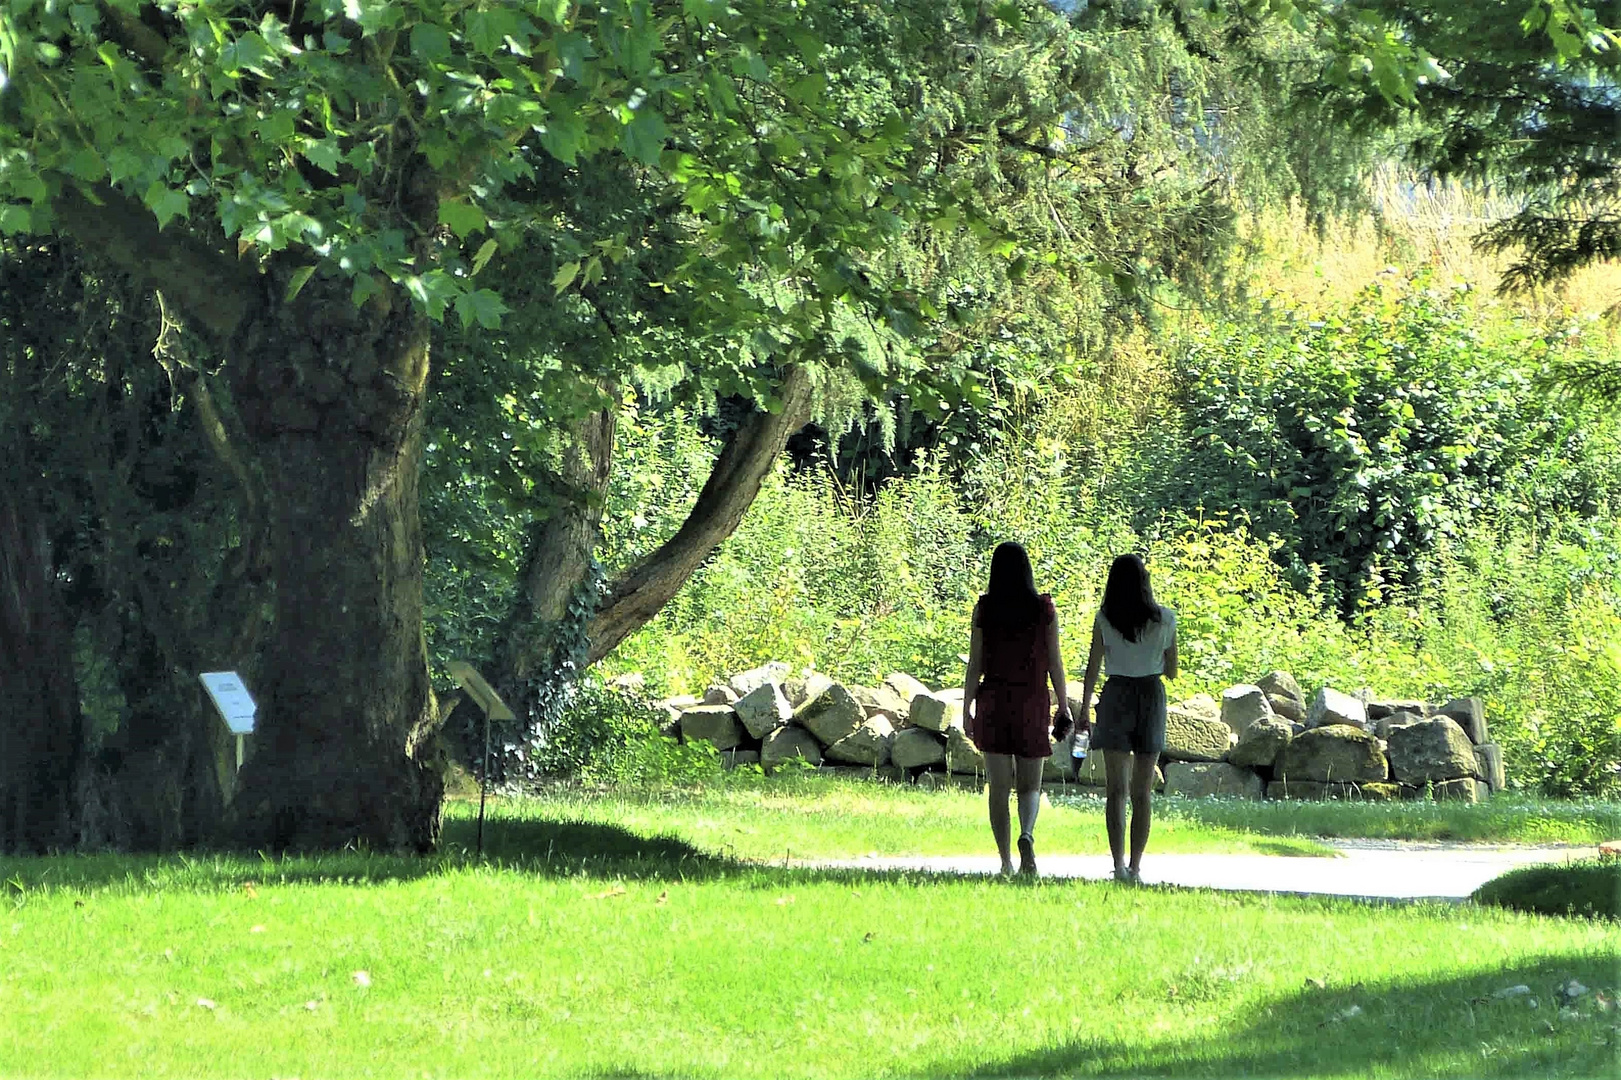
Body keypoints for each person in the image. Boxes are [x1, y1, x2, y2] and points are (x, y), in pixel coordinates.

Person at [963, 541, 1071, 877]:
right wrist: (1063, 705)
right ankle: (1027, 833)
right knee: (1030, 785)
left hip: (994, 698)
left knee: (998, 787)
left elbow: (975, 663)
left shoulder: (985, 609)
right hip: (1032, 699)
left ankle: (1005, 861)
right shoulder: (1044, 609)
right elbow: (1055, 661)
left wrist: (967, 706)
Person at [1075, 553, 1177, 884]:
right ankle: (1136, 867)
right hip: (1151, 696)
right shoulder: (1166, 619)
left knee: (1115, 791)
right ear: (1145, 581)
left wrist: (1084, 709)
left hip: (1115, 695)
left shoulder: (1105, 618)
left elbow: (1093, 667)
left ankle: (1117, 865)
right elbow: (1173, 670)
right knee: (1142, 791)